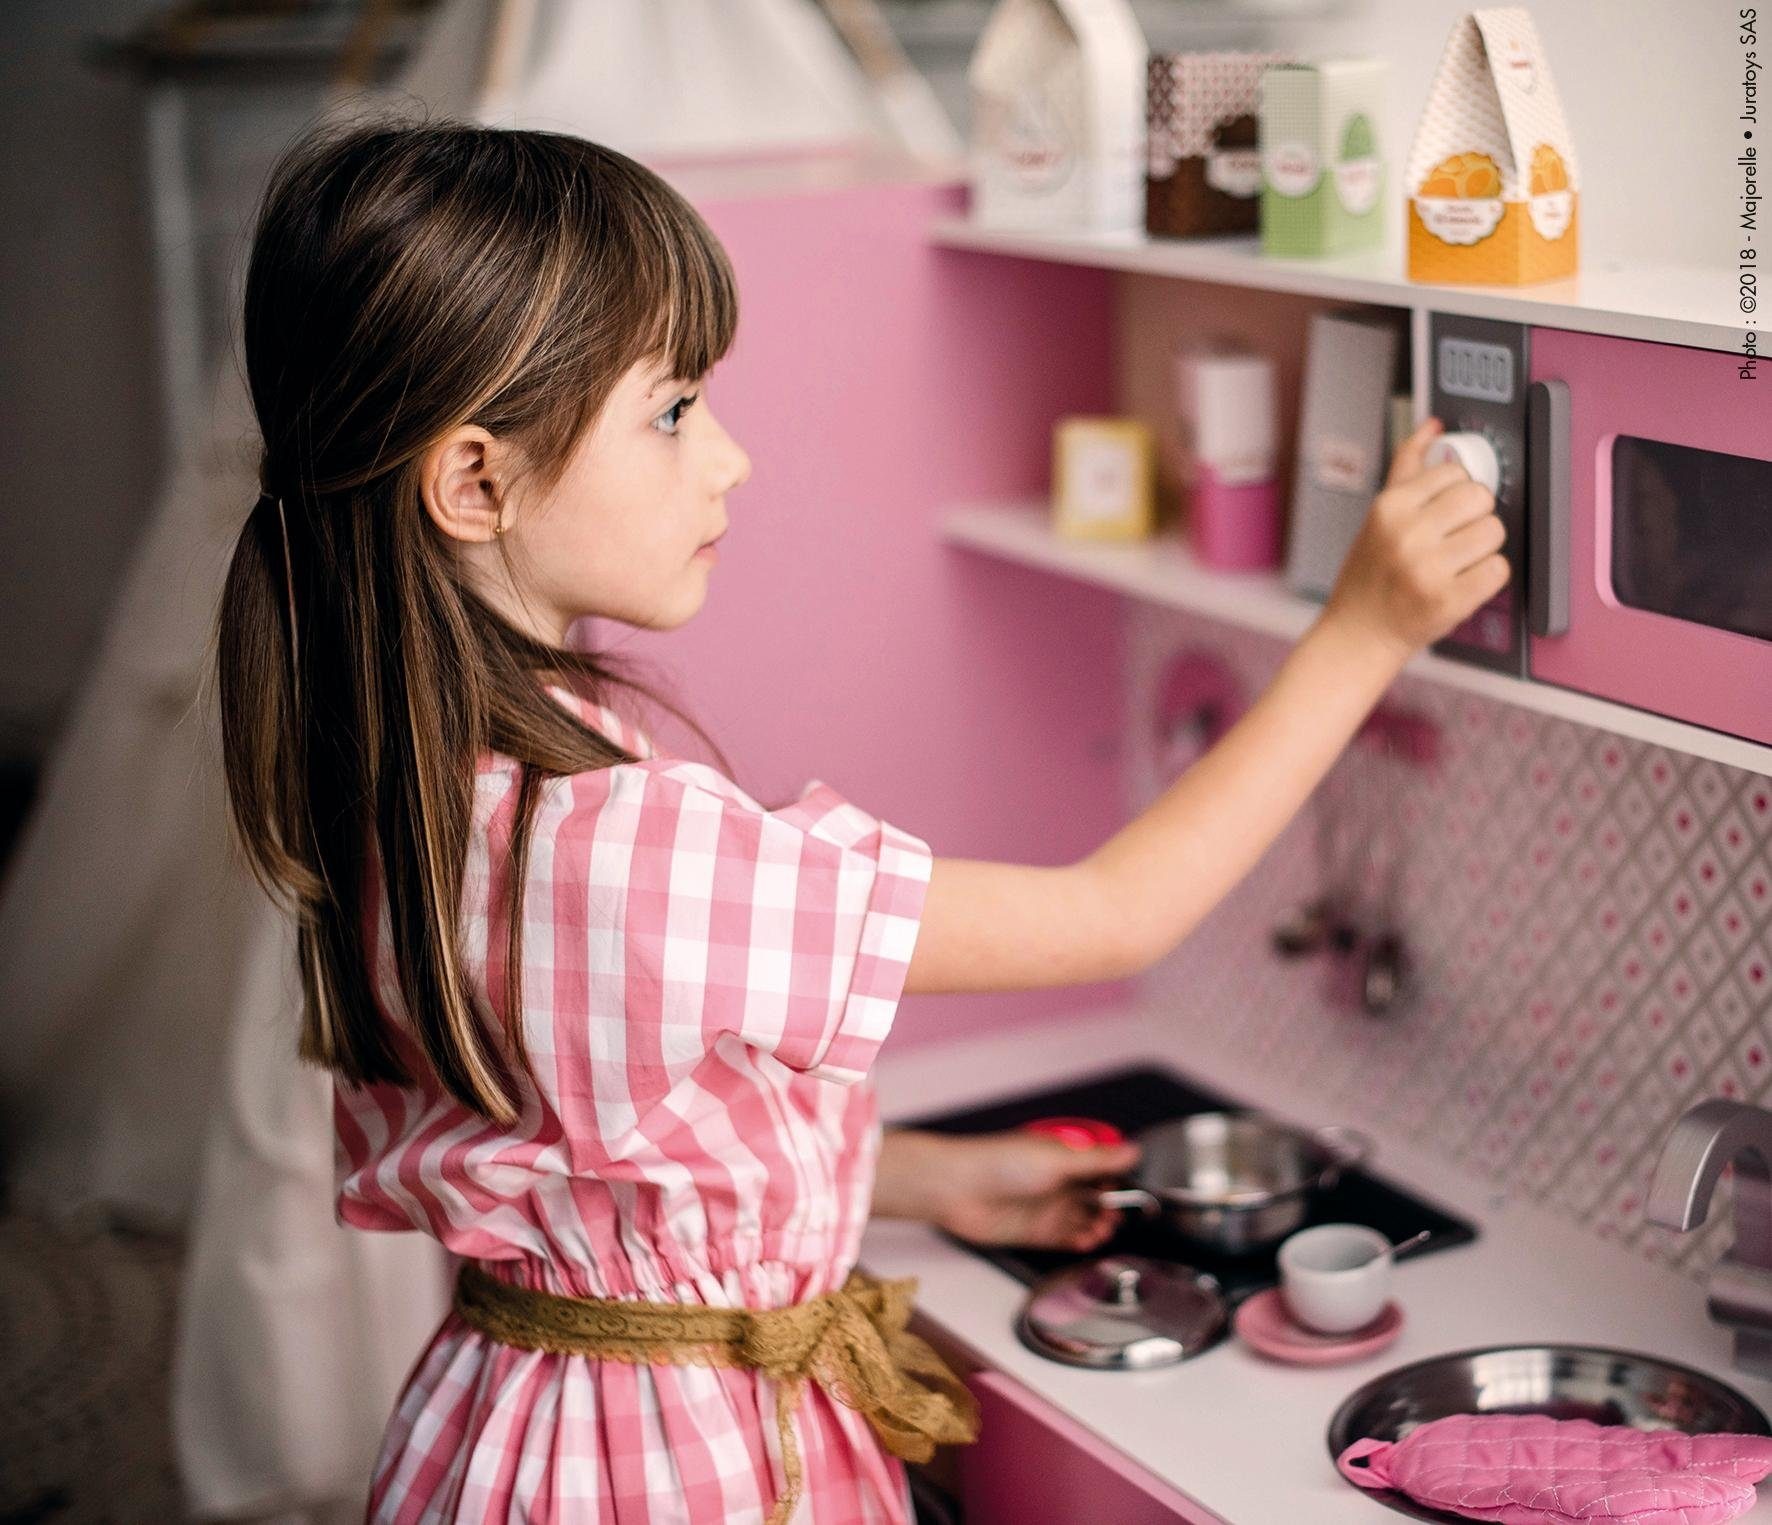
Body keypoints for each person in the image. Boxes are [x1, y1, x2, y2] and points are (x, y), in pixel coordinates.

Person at [212, 118, 1506, 1525]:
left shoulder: (411, 779)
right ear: (475, 480)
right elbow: (1116, 910)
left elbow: (606, 1150)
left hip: (508, 1424)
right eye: (673, 410)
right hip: (681, 1466)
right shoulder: (627, 842)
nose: (732, 460)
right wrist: (1365, 627)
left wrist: (927, 1173)